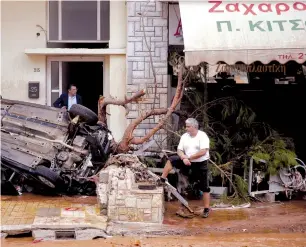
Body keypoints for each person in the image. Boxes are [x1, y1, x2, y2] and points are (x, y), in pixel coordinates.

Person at [159, 118, 211, 218]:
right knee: (172, 159)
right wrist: (183, 157)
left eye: (188, 126)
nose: (186, 128)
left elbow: (203, 151)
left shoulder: (202, 136)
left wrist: (189, 158)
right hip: (186, 161)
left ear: (194, 127)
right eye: (186, 126)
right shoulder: (184, 136)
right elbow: (179, 150)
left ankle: (206, 209)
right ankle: (162, 178)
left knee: (205, 187)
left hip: (200, 163)